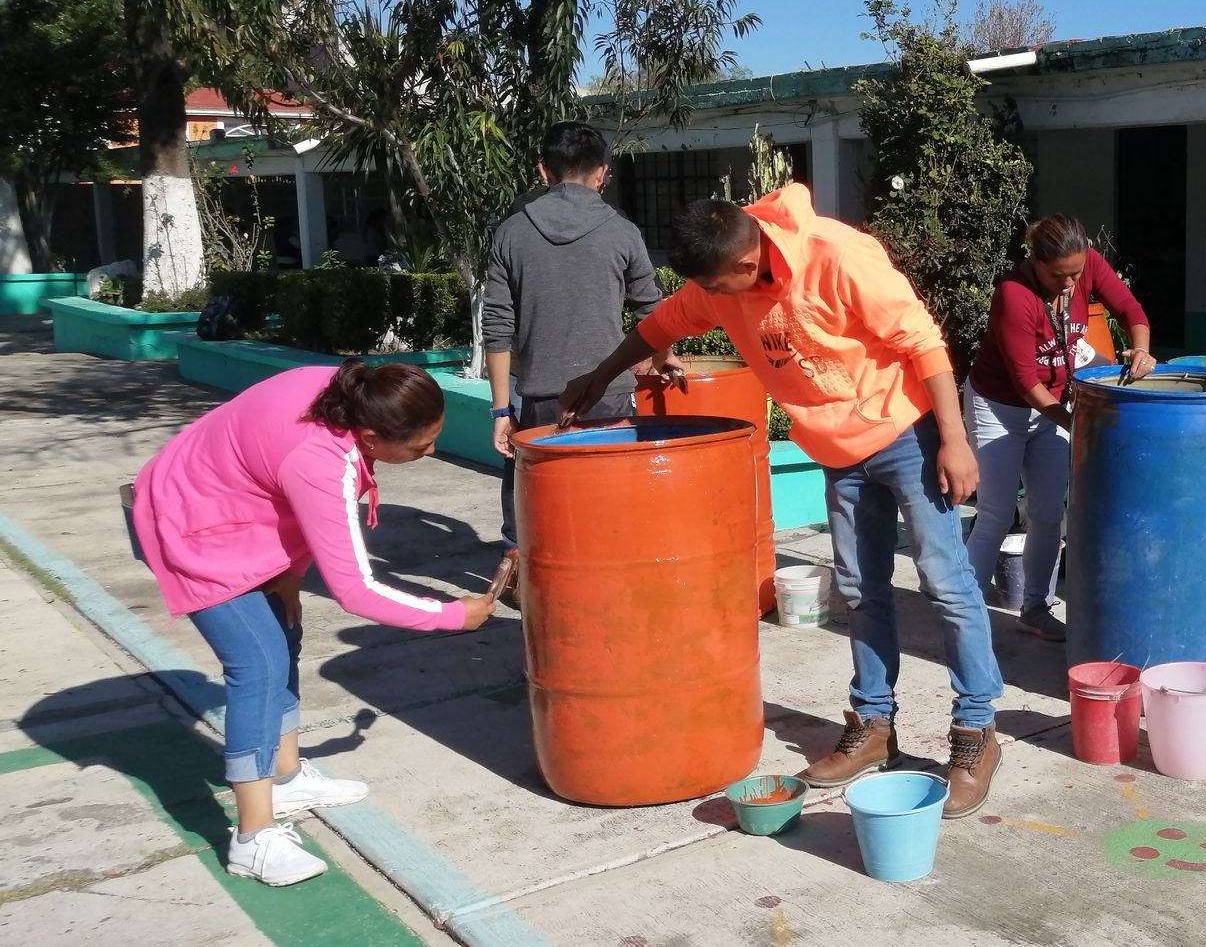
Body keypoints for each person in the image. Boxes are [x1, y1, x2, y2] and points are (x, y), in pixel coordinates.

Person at [556, 184, 1006, 820]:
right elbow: (661, 324)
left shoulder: (837, 256)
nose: (711, 301)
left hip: (906, 432)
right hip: (837, 449)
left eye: (718, 288)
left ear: (746, 262)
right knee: (858, 588)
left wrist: (955, 442)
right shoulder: (721, 278)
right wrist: (601, 374)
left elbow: (924, 341)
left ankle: (975, 733)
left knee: (946, 583)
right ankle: (874, 726)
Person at [130, 362, 495, 886]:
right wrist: (451, 615)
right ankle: (253, 839)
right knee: (257, 664)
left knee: (283, 632)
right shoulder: (321, 458)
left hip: (238, 512)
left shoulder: (349, 389)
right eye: (419, 448)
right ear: (370, 435)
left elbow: (269, 472)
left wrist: (289, 574)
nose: (430, 452)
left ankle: (285, 775)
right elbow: (356, 591)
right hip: (188, 522)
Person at [481, 121, 670, 602]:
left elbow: (497, 325)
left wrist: (502, 410)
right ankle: (602, 589)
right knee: (606, 499)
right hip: (607, 394)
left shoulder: (510, 232)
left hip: (537, 396)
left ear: (543, 170)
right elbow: (652, 309)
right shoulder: (622, 231)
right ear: (602, 173)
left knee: (530, 494)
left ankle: (533, 586)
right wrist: (661, 359)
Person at [964, 214, 1154, 642]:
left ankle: (1036, 607)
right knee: (996, 513)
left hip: (1054, 404)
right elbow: (1024, 381)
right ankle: (967, 614)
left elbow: (1130, 309)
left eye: (1076, 274)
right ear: (1036, 262)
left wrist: (1141, 349)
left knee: (1049, 514)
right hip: (1000, 406)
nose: (1070, 284)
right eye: (1059, 275)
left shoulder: (1087, 267)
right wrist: (1075, 423)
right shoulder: (1014, 295)